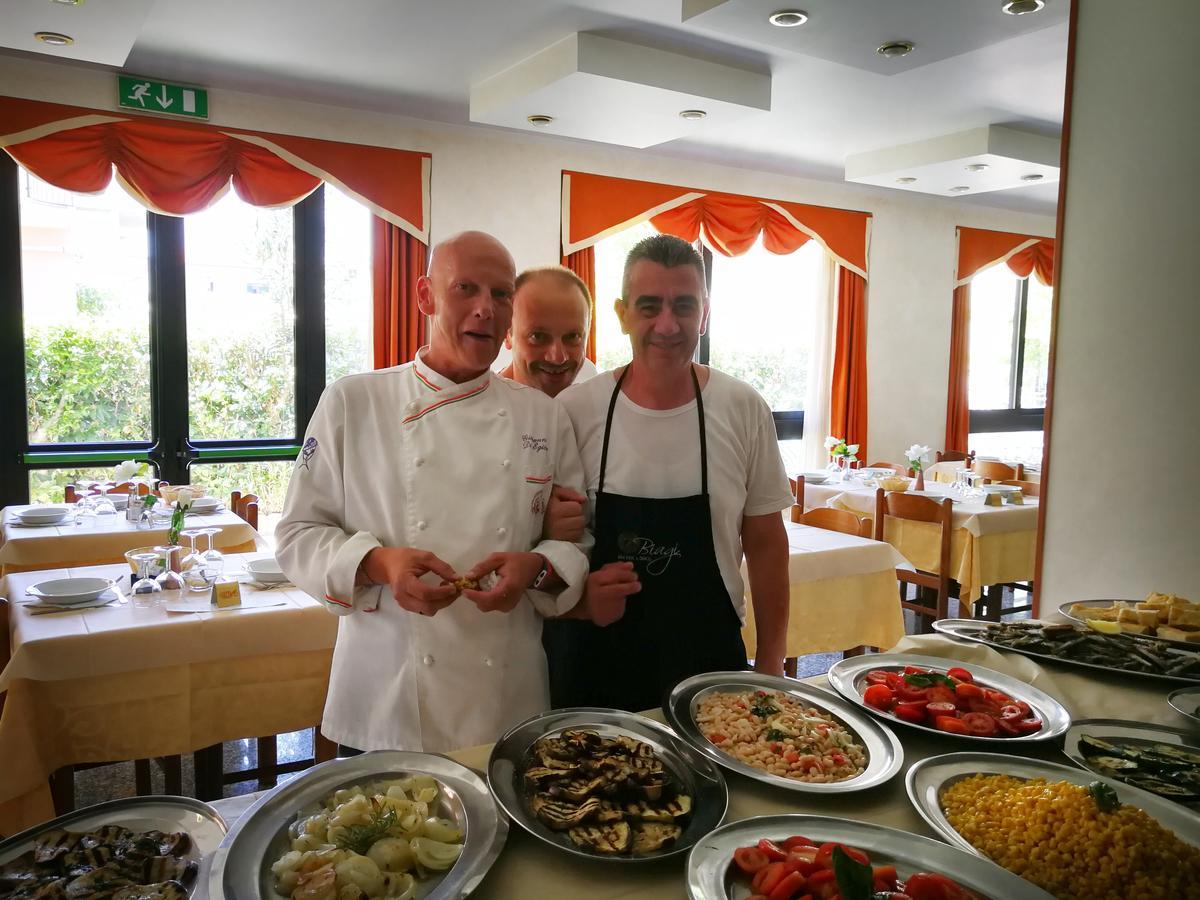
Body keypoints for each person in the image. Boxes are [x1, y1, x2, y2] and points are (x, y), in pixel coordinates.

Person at [276, 231, 590, 754]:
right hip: (390, 694)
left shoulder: (544, 414)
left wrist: (536, 566)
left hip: (505, 693)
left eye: (501, 294)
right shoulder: (355, 401)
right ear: (425, 296)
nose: (485, 309)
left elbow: (577, 542)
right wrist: (380, 564)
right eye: (465, 288)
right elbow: (296, 535)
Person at [546, 233, 791, 712]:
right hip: (594, 659)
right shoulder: (577, 409)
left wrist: (772, 664)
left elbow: (765, 541)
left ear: (705, 312)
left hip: (709, 656)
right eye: (649, 306)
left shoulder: (742, 407)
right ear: (621, 314)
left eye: (683, 305)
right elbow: (551, 540)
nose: (667, 324)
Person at [500, 265, 598, 397]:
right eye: (538, 336)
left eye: (573, 336)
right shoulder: (480, 411)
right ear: (507, 334)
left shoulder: (590, 381)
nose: (558, 358)